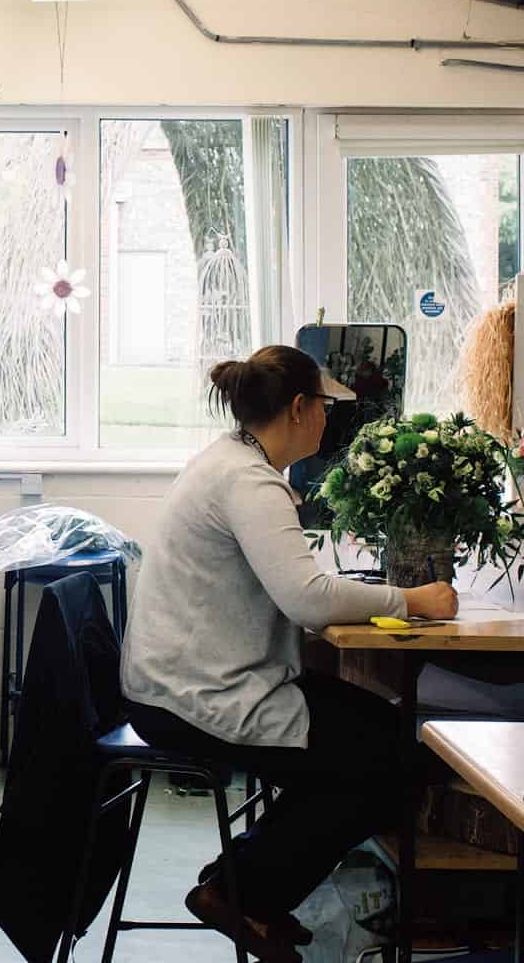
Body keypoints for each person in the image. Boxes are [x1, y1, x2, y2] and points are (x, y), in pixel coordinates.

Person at [121, 345, 458, 962]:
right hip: (197, 695)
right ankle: (241, 891)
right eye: (325, 406)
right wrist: (413, 599)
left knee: (385, 738)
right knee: (394, 762)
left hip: (189, 680)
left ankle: (246, 885)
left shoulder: (231, 463)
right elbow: (305, 597)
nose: (329, 419)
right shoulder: (249, 482)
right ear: (299, 409)